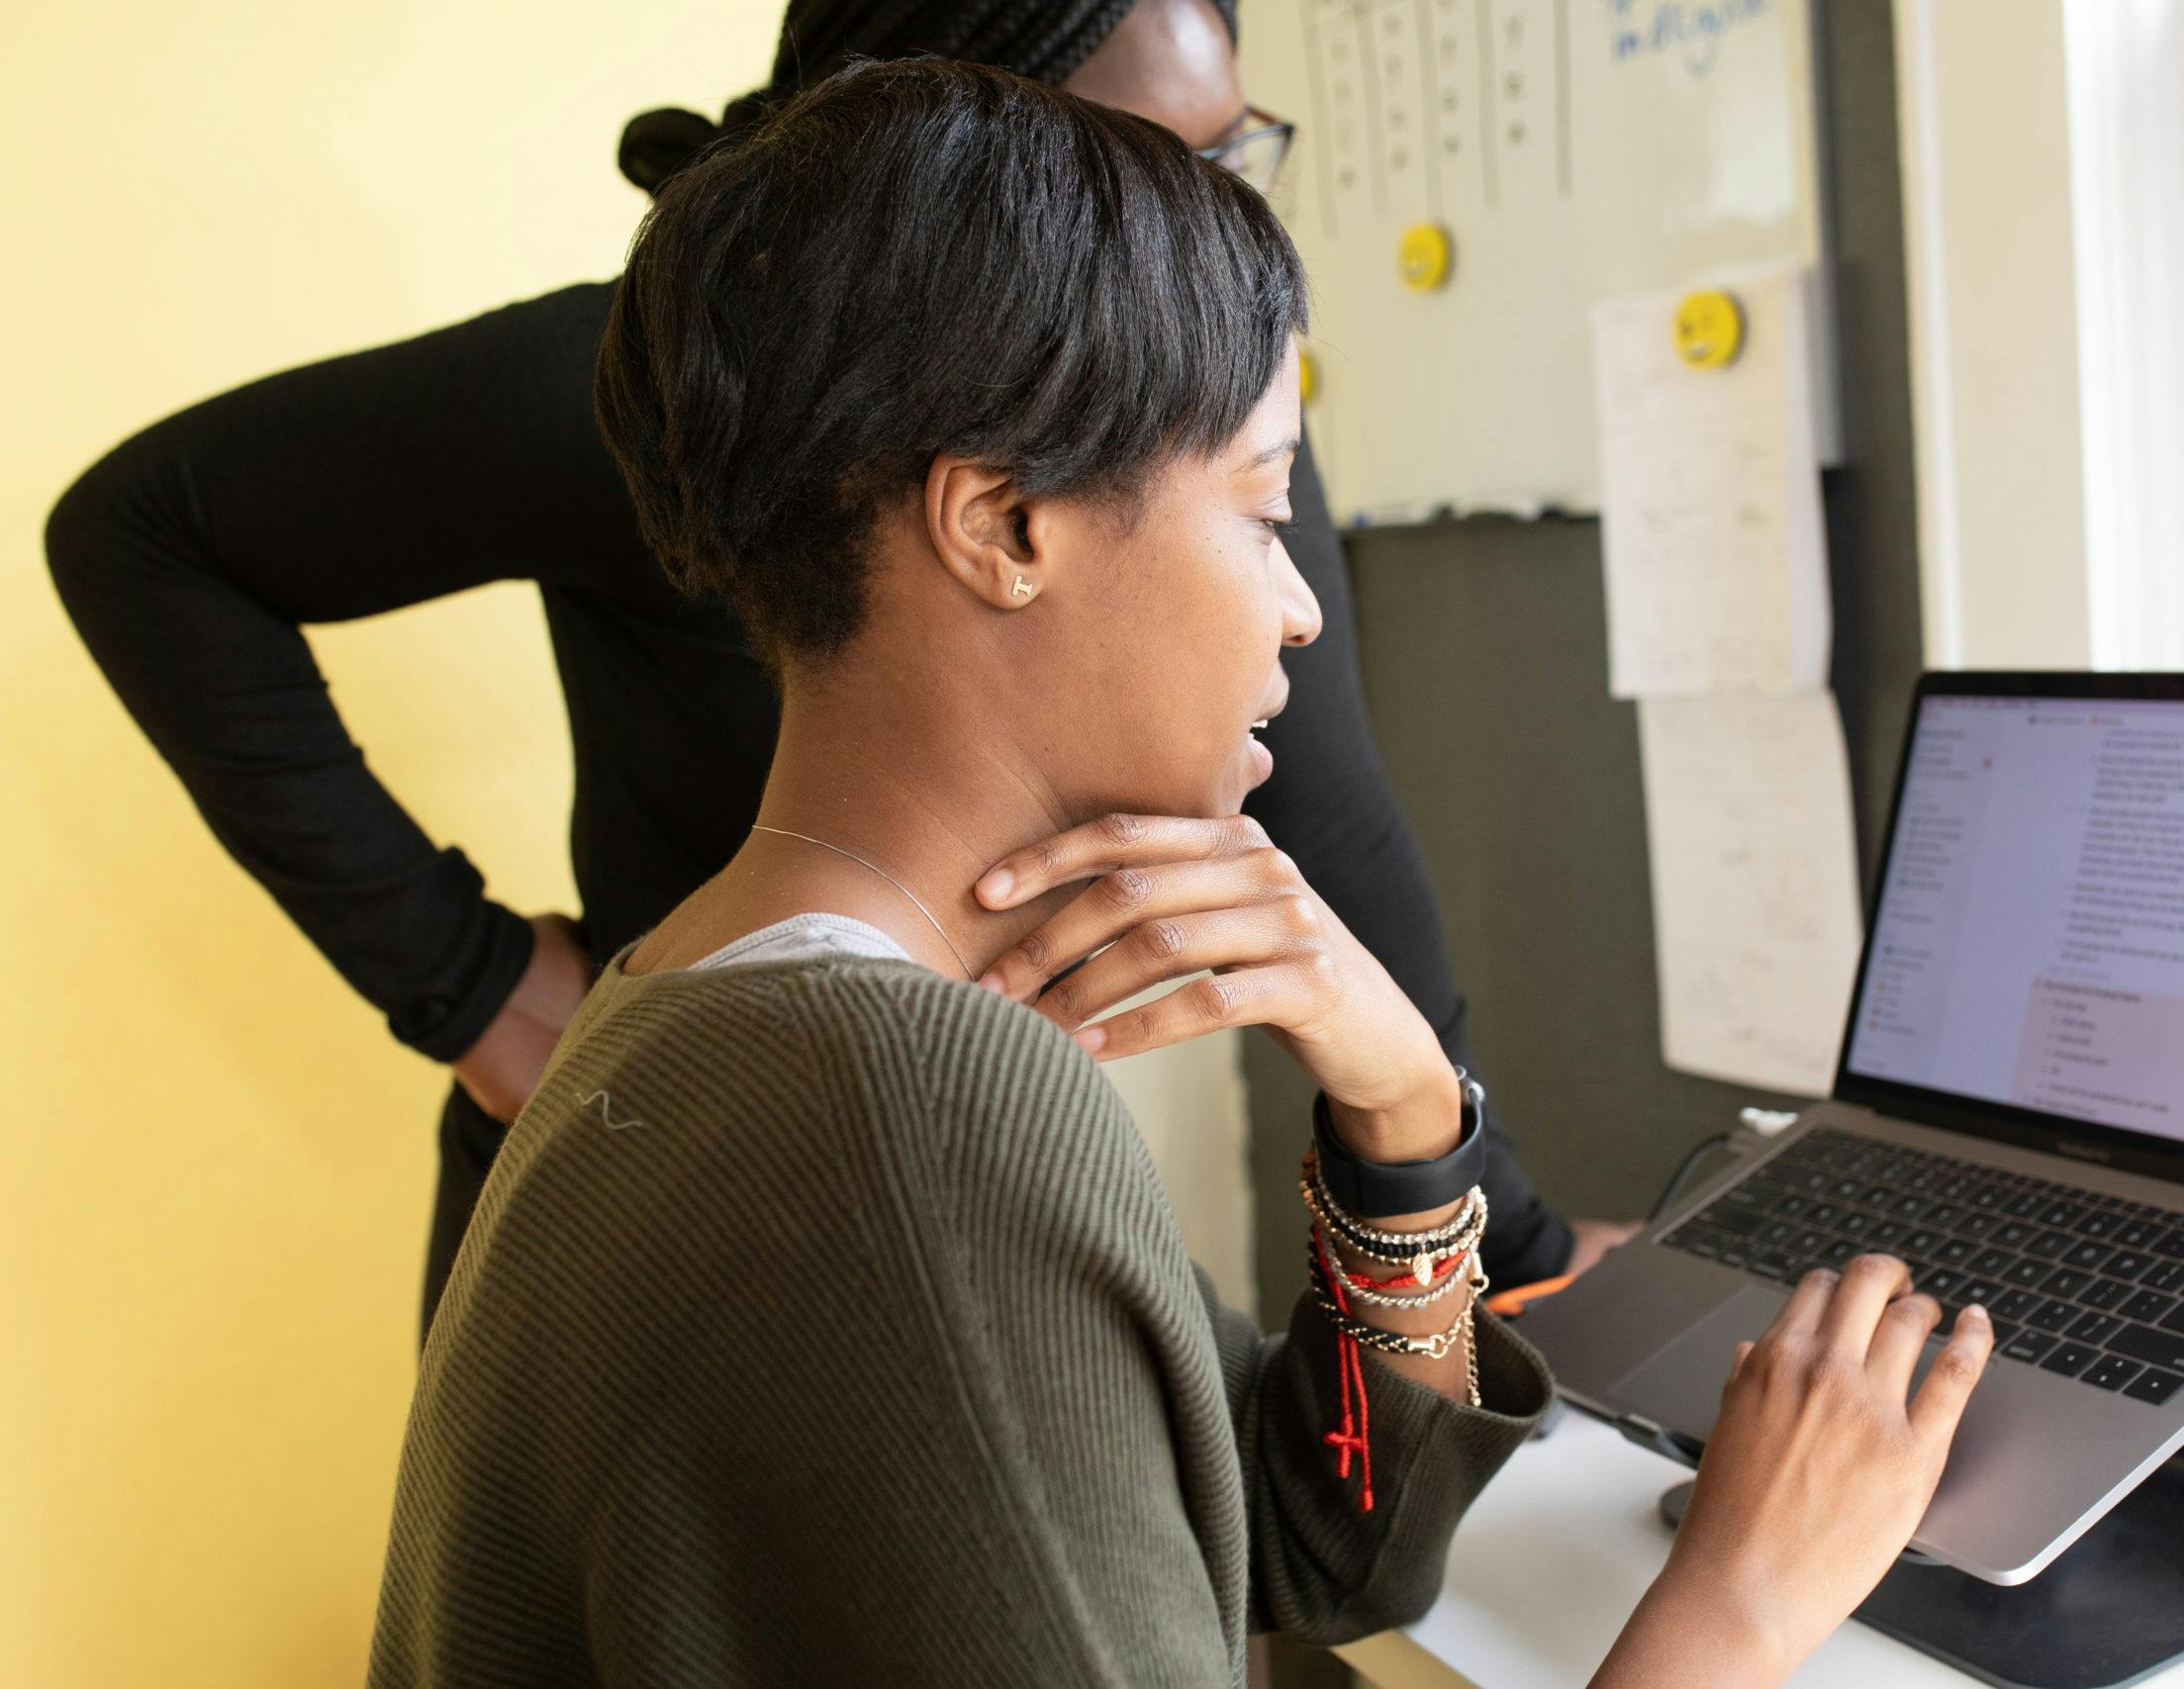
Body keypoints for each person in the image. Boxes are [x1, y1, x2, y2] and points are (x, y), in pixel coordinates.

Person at [364, 57, 1993, 1686]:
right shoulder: (909, 1115)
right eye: (1262, 507)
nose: (1296, 607)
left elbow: (1315, 1541)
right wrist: (1747, 1604)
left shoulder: (700, 990)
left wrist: (1409, 1116)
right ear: (1003, 525)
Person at [42, 0, 1632, 1339]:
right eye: (1160, 163)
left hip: (948, 1183)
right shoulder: (677, 396)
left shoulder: (1185, 412)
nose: (1232, 224)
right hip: (701, 1213)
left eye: (1234, 154)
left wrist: (1499, 1239)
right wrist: (466, 986)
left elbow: (1330, 829)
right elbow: (145, 539)